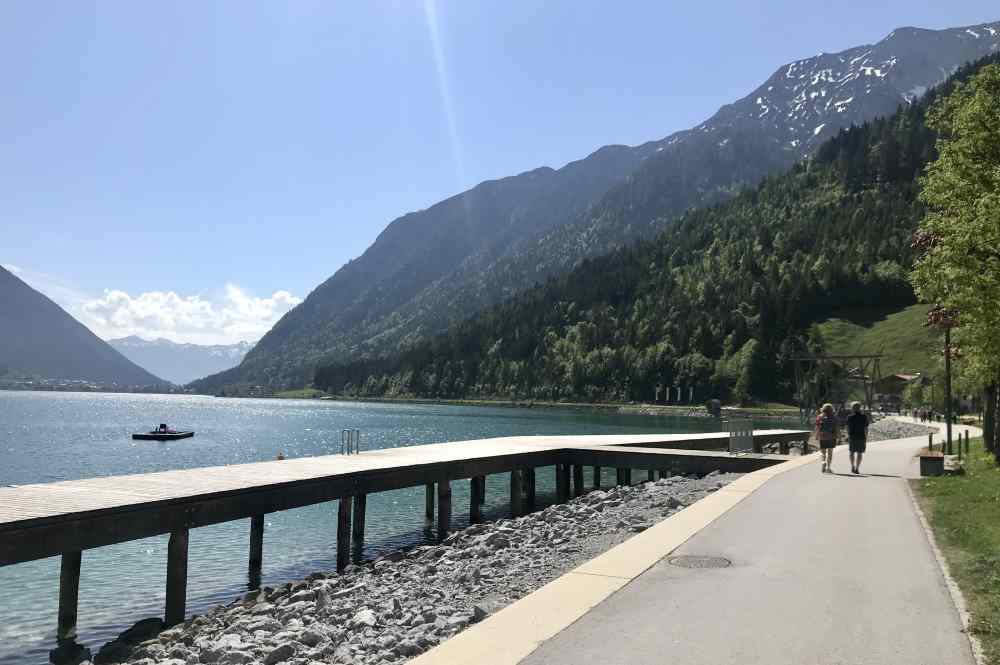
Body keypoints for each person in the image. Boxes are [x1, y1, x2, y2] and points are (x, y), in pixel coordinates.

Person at [814, 403, 839, 473]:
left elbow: (817, 428)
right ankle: (828, 468)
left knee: (823, 453)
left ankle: (823, 462)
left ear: (823, 409)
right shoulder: (834, 417)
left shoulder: (819, 417)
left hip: (822, 437)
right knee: (830, 453)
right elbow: (837, 428)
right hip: (831, 437)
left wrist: (816, 436)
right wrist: (838, 437)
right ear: (831, 409)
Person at [847, 401, 869, 474]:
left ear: (852, 408)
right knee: (859, 453)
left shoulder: (849, 417)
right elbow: (866, 428)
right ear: (860, 408)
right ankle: (857, 468)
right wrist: (866, 437)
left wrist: (848, 435)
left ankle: (852, 466)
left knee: (851, 452)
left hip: (852, 437)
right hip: (861, 437)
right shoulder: (864, 417)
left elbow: (847, 428)